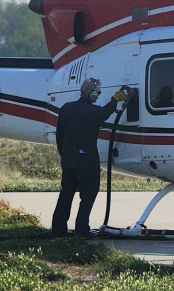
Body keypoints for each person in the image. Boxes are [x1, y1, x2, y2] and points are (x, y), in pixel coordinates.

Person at [51, 77, 127, 238]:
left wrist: (64, 154)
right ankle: (81, 229)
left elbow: (59, 135)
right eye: (97, 93)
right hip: (87, 160)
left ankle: (58, 229)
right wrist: (115, 100)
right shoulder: (93, 111)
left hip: (68, 158)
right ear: (91, 93)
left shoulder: (66, 108)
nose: (98, 96)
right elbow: (104, 113)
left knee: (66, 193)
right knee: (88, 194)